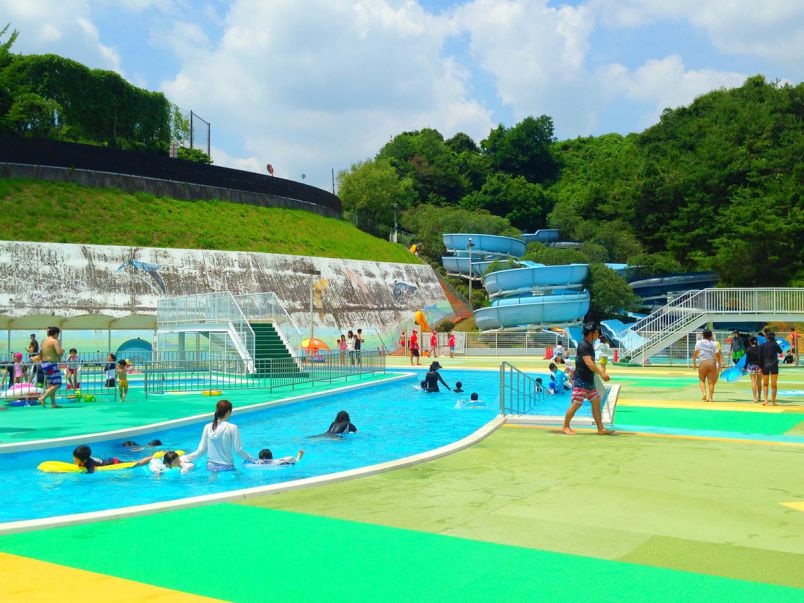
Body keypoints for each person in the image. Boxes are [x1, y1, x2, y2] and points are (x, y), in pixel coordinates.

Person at [562, 322, 613, 435]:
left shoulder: (589, 345)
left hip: (588, 380)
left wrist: (600, 370)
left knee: (596, 402)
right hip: (581, 381)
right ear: (591, 332)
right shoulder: (584, 345)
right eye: (596, 332)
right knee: (577, 403)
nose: (598, 334)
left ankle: (600, 428)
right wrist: (602, 374)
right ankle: (565, 426)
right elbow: (589, 362)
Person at [183, 399, 257, 471]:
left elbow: (201, 450)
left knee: (211, 481)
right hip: (228, 467)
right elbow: (238, 451)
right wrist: (253, 460)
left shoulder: (207, 427)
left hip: (211, 466)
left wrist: (186, 458)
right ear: (228, 412)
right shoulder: (232, 427)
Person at [37, 326, 64, 408]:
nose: (58, 335)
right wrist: (63, 351)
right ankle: (43, 397)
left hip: (44, 364)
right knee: (57, 384)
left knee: (50, 384)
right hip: (51, 364)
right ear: (55, 333)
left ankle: (53, 403)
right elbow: (59, 352)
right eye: (58, 334)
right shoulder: (55, 341)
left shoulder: (44, 341)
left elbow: (40, 354)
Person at [73, 445, 149, 474]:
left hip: (114, 462)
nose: (73, 459)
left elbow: (91, 472)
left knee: (134, 464)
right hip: (109, 460)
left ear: (83, 459)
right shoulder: (85, 460)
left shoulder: (90, 463)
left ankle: (150, 458)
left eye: (75, 458)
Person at [692, 329, 722, 402]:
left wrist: (694, 363)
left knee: (702, 379)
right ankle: (711, 398)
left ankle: (704, 393)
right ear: (711, 335)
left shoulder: (699, 342)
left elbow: (695, 353)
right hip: (712, 362)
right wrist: (719, 364)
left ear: (703, 335)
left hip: (703, 362)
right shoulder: (714, 343)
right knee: (711, 382)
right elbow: (717, 354)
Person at [759, 331, 783, 406]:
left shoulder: (762, 345)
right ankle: (773, 401)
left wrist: (760, 367)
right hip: (774, 365)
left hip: (765, 365)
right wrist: (775, 343)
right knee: (774, 384)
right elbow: (780, 351)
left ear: (767, 337)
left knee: (765, 384)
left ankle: (766, 400)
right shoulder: (775, 345)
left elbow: (760, 357)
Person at [743, 336, 762, 403]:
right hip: (760, 367)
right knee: (759, 383)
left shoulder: (748, 349)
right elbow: (761, 358)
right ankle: (759, 396)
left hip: (752, 367)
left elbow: (747, 360)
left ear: (750, 342)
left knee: (753, 382)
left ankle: (755, 398)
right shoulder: (760, 348)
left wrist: (745, 367)